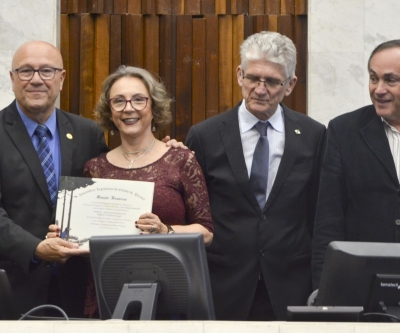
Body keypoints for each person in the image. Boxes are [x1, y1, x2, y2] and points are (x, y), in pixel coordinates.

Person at [185, 31, 326, 320]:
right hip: (225, 284)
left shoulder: (314, 135)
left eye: (272, 81)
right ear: (239, 75)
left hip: (291, 285)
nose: (260, 90)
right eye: (253, 78)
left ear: (290, 85)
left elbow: (319, 213)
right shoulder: (205, 135)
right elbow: (194, 213)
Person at [53, 65, 213, 317]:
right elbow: (85, 242)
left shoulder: (182, 160)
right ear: (110, 111)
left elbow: (206, 232)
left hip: (170, 291)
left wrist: (166, 230)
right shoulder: (94, 167)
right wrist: (66, 234)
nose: (129, 108)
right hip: (106, 293)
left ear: (154, 106)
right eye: (118, 101)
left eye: (139, 99)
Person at [0, 41, 109, 318]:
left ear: (61, 79)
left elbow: (108, 190)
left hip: (79, 290)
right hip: (13, 289)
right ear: (12, 78)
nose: (36, 80)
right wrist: (35, 248)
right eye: (26, 71)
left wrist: (161, 149)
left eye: (46, 71)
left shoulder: (88, 133)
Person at [312, 39, 400, 290]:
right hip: (362, 286)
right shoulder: (344, 131)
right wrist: (323, 289)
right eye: (374, 78)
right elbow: (328, 219)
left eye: (390, 80)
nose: (378, 89)